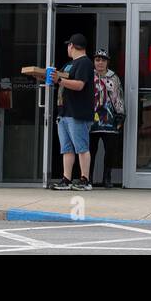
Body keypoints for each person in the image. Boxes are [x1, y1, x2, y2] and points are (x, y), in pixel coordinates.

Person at [51, 33, 95, 191]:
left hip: (77, 113)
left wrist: (60, 80)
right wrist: (46, 77)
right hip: (64, 112)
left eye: (68, 45)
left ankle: (85, 180)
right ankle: (66, 179)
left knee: (81, 147)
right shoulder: (70, 64)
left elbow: (79, 85)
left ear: (72, 45)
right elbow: (59, 77)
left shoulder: (85, 63)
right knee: (66, 148)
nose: (67, 48)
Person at [88, 49, 125, 188]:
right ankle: (88, 177)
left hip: (109, 119)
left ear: (107, 62)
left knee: (110, 151)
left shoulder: (113, 77)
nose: (100, 62)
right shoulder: (89, 75)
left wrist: (120, 114)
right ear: (94, 61)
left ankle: (107, 178)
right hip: (91, 119)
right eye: (97, 60)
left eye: (103, 60)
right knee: (90, 150)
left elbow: (118, 96)